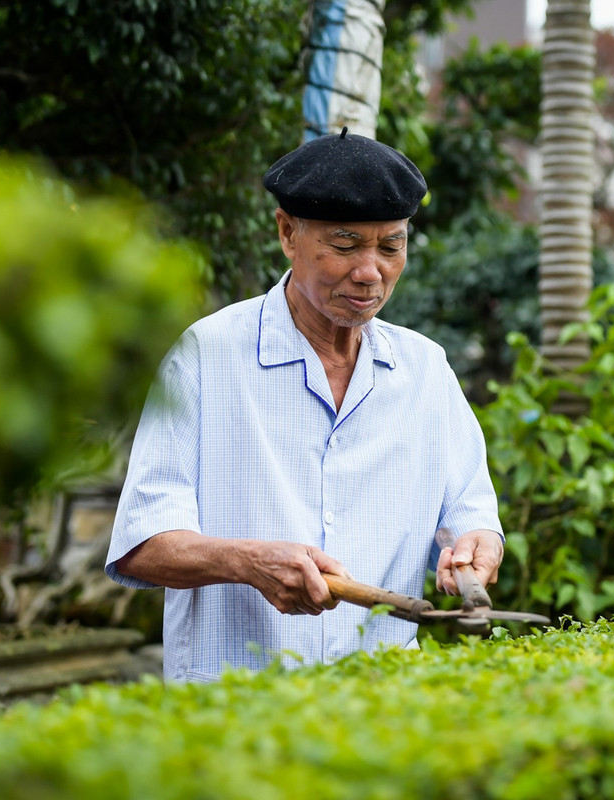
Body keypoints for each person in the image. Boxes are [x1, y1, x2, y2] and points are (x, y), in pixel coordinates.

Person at [105, 128, 504, 683]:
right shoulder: (206, 354)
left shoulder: (425, 370)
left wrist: (475, 548)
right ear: (287, 232)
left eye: (391, 246)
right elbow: (142, 546)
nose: (371, 272)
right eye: (345, 245)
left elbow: (470, 514)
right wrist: (248, 562)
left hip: (385, 710)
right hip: (232, 711)